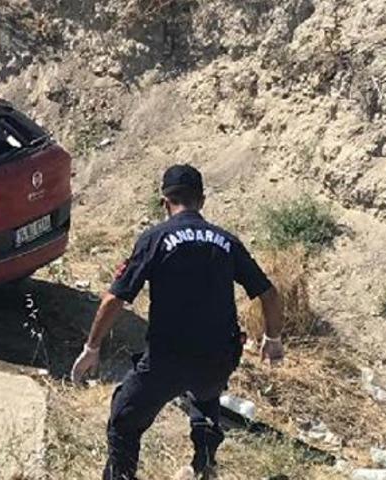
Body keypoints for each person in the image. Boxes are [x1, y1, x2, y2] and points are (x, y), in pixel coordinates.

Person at [71, 164, 285, 480]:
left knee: (124, 417)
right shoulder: (227, 241)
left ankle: (122, 476)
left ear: (164, 202)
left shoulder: (155, 239)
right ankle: (203, 464)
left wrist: (92, 347)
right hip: (219, 357)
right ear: (202, 200)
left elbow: (115, 298)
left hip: (167, 359)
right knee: (206, 395)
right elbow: (268, 293)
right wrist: (273, 338)